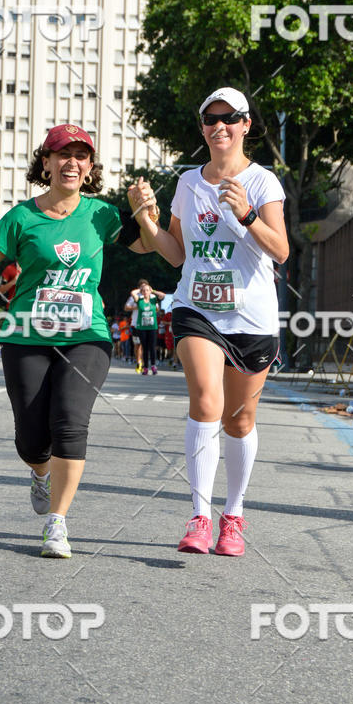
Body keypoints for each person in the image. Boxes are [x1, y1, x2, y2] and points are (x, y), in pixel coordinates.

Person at [0, 124, 157, 559]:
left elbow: (147, 245)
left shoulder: (102, 215)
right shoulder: (22, 217)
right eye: (62, 154)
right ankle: (39, 472)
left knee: (69, 420)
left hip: (87, 335)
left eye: (81, 155)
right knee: (30, 438)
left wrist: (145, 212)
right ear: (44, 162)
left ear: (89, 167)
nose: (72, 162)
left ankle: (56, 524)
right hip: (27, 336)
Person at [128, 87, 289, 556]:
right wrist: (145, 220)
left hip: (252, 317)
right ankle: (200, 516)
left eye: (230, 118)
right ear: (203, 129)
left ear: (245, 126)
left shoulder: (263, 183)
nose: (220, 126)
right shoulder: (187, 183)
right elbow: (177, 254)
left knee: (240, 421)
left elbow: (279, 250)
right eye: (211, 119)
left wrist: (245, 214)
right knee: (206, 400)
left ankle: (232, 517)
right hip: (197, 310)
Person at [130, 282, 165, 375]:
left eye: (147, 290)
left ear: (150, 291)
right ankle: (145, 367)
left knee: (152, 347)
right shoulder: (139, 300)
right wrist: (141, 288)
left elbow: (162, 295)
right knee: (144, 348)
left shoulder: (153, 300)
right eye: (144, 291)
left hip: (152, 327)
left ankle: (153, 366)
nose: (145, 292)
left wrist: (152, 290)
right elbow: (133, 293)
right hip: (141, 328)